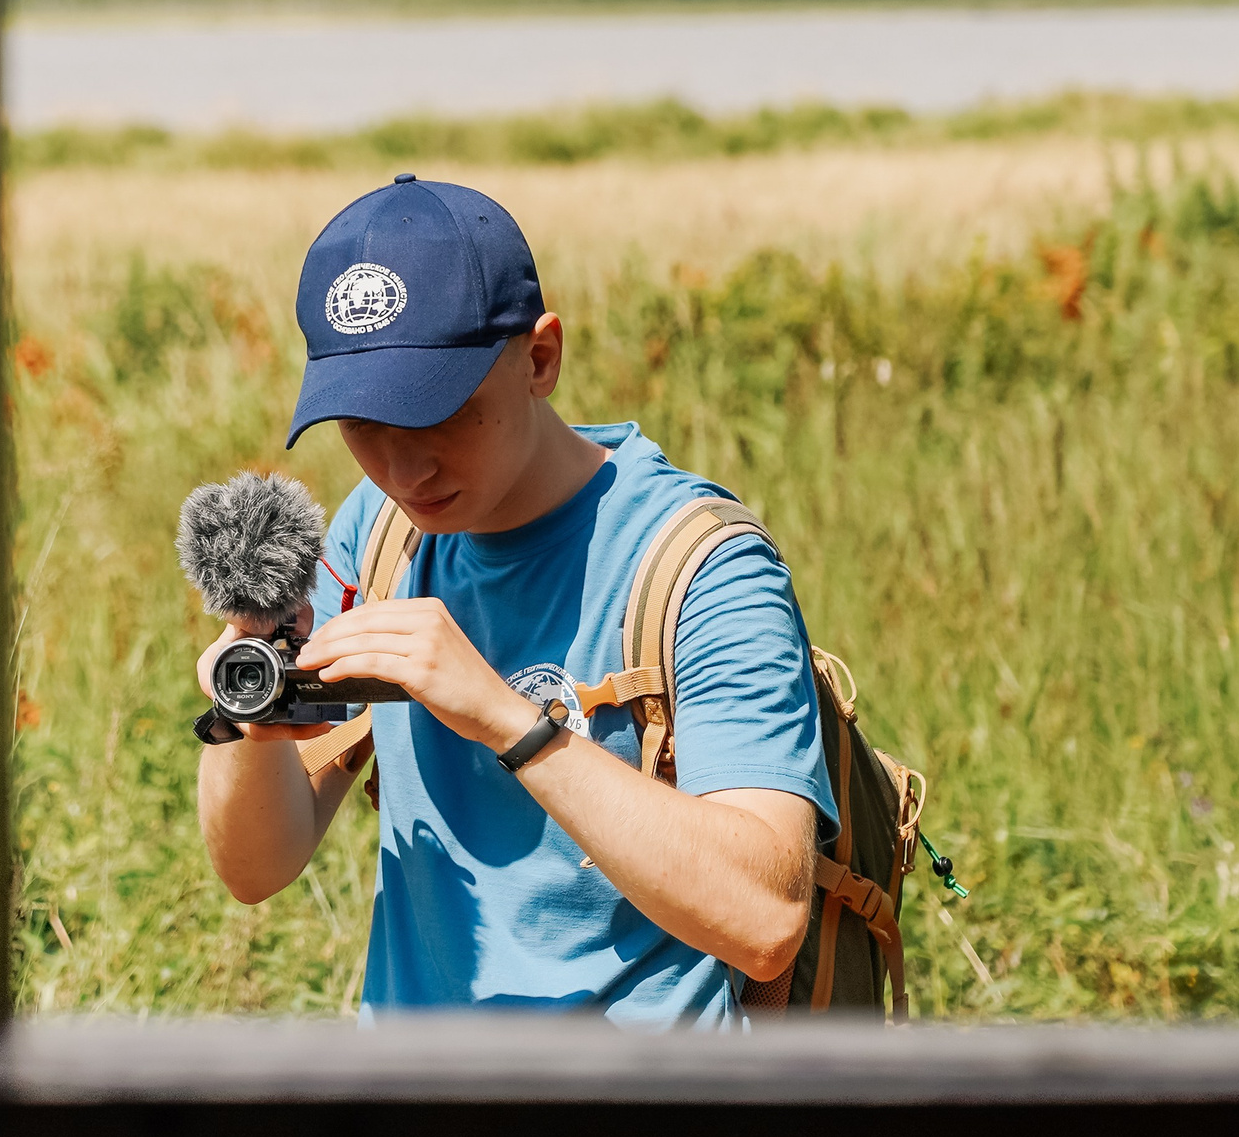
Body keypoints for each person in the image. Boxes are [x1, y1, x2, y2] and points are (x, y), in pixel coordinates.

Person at [195, 174, 837, 1027]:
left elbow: (767, 923)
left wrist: (508, 719)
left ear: (540, 358)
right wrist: (252, 726)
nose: (402, 469)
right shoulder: (376, 534)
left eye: (441, 414)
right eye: (363, 424)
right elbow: (257, 867)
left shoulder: (703, 567)